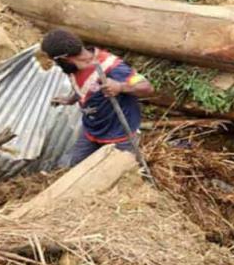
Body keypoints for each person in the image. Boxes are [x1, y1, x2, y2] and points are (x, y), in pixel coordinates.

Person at [41, 28, 154, 167]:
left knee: (119, 171)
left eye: (55, 61)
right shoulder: (73, 68)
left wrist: (120, 87)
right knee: (72, 165)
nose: (56, 65)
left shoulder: (112, 67)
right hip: (92, 129)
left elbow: (147, 88)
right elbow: (87, 87)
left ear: (63, 58)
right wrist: (71, 99)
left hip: (119, 133)